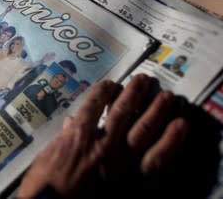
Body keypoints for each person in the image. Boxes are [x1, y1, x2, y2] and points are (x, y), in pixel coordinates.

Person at [17, 74, 191, 198]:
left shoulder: (53, 101)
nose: (55, 82)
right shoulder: (34, 88)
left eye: (60, 81)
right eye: (55, 79)